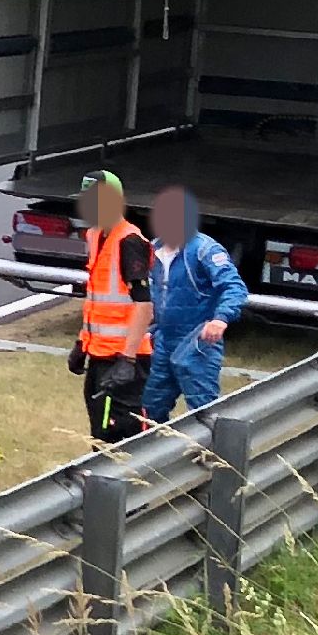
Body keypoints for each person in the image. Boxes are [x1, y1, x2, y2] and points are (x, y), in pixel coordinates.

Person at [144, 185, 248, 423]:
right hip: (162, 339)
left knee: (203, 409)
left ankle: (208, 456)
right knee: (149, 408)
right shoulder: (153, 250)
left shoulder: (204, 249)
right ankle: (154, 457)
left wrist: (220, 319)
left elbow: (234, 287)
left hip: (197, 340)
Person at [64, 171, 154, 443]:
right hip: (99, 356)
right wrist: (83, 344)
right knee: (100, 431)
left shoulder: (129, 241)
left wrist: (127, 360)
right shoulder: (94, 236)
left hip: (124, 358)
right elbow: (97, 299)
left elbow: (144, 304)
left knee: (122, 432)